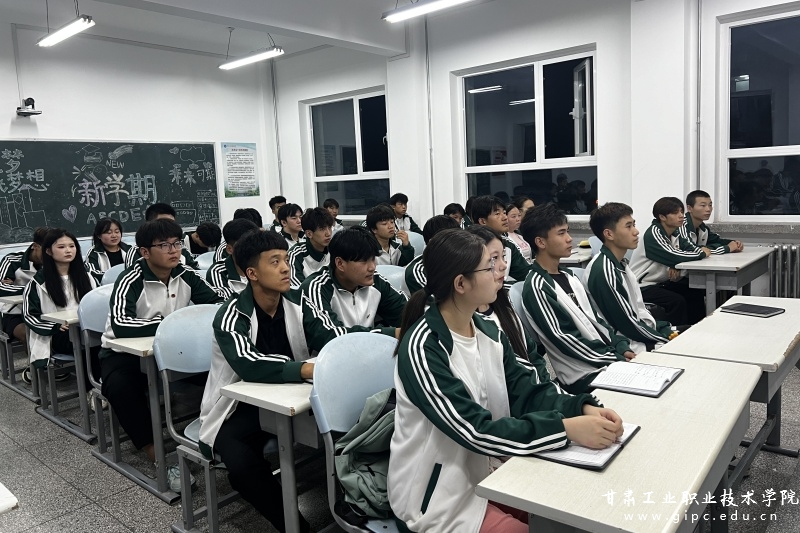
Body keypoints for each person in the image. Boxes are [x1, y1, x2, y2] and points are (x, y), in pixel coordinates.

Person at [389, 228, 622, 533]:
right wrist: (566, 429)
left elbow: (528, 391)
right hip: (437, 494)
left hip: (489, 468)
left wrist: (582, 408)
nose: (500, 270)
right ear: (461, 283)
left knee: (571, 509)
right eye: (489, 266)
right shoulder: (424, 347)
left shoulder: (488, 331)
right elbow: (474, 430)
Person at [199, 229, 313, 533]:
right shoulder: (231, 314)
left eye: (286, 260)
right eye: (275, 262)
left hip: (290, 398)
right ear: (252, 273)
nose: (286, 268)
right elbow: (249, 364)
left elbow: (330, 335)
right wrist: (303, 369)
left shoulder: (298, 302)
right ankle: (296, 528)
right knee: (242, 465)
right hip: (237, 408)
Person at [100, 219, 223, 490]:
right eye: (165, 245)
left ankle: (217, 437)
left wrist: (185, 326)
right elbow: (121, 325)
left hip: (172, 350)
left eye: (177, 243)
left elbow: (216, 305)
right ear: (145, 252)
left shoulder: (185, 273)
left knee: (220, 371)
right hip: (124, 355)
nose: (174, 250)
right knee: (120, 387)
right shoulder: (130, 279)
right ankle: (159, 457)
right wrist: (171, 325)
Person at [519, 204, 635, 393]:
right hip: (581, 375)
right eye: (561, 233)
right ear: (540, 242)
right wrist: (616, 359)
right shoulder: (537, 287)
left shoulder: (570, 277)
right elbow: (566, 340)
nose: (569, 238)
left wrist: (621, 347)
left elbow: (597, 322)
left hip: (605, 362)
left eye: (568, 231)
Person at [300, 226, 408, 353]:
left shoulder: (376, 282)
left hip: (371, 354)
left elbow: (407, 312)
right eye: (364, 261)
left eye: (373, 259)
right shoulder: (316, 287)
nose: (372, 267)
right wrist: (389, 333)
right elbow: (329, 336)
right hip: (330, 360)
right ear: (340, 264)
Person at [586, 203, 674, 352]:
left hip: (638, 335)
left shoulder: (621, 264)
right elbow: (627, 324)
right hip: (628, 345)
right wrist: (663, 337)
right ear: (609, 234)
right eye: (628, 226)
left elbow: (638, 312)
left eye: (634, 224)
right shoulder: (604, 271)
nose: (636, 231)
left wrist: (662, 328)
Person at [23, 229, 98, 386]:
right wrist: (54, 326)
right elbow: (30, 315)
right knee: (89, 344)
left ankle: (102, 385)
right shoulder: (38, 282)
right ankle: (91, 389)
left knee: (105, 342)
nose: (68, 250)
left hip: (84, 328)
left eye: (72, 246)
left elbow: (97, 304)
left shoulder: (85, 276)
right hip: (56, 334)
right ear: (48, 251)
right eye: (61, 247)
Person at [629, 197, 710, 326]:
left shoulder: (676, 233)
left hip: (661, 282)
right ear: (662, 217)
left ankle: (697, 329)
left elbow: (689, 249)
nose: (681, 216)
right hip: (642, 286)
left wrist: (675, 265)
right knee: (676, 301)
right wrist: (700, 253)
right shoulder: (653, 233)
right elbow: (675, 256)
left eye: (682, 212)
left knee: (694, 293)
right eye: (675, 213)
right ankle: (675, 334)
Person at [0, 227, 47, 382]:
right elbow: (1, 288)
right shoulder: (12, 260)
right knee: (30, 333)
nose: (49, 255)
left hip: (43, 310)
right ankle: (35, 367)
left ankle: (51, 364)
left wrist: (16, 287)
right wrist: (34, 289)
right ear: (35, 246)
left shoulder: (54, 260)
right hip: (14, 313)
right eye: (45, 250)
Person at [471, 195, 532, 284]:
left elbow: (526, 273)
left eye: (504, 212)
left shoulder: (508, 245)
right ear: (483, 221)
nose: (505, 217)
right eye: (497, 214)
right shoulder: (469, 245)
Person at [125, 203, 200, 269]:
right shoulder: (136, 252)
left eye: (172, 223)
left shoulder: (181, 249)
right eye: (163, 223)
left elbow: (196, 272)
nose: (168, 226)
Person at [403, 215, 460, 295]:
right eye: (451, 239)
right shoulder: (418, 271)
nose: (458, 243)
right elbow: (436, 301)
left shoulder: (459, 260)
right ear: (433, 243)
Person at [207, 219, 259, 299]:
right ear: (229, 249)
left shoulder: (263, 265)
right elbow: (227, 302)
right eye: (244, 246)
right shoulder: (218, 271)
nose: (251, 249)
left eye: (254, 244)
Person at [287, 207, 333, 287]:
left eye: (329, 227)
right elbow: (298, 289)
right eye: (322, 229)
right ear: (309, 234)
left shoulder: (335, 250)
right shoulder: (295, 254)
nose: (328, 233)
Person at [85, 218, 134, 283]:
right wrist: (114, 278)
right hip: (106, 286)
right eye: (109, 233)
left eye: (117, 232)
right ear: (99, 236)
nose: (114, 236)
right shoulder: (93, 253)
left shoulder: (129, 249)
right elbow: (93, 273)